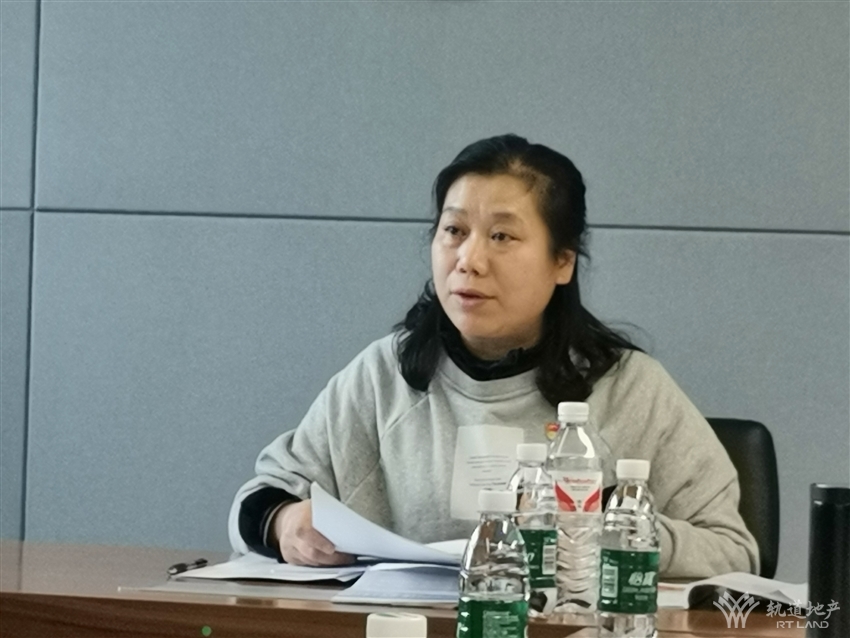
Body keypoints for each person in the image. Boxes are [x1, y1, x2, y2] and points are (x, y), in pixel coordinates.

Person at [228, 134, 759, 578]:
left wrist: (610, 531)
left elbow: (733, 550)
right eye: (454, 231)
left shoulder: (631, 388)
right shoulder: (382, 376)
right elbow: (258, 500)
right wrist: (283, 523)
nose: (469, 260)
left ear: (562, 262)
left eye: (502, 236)